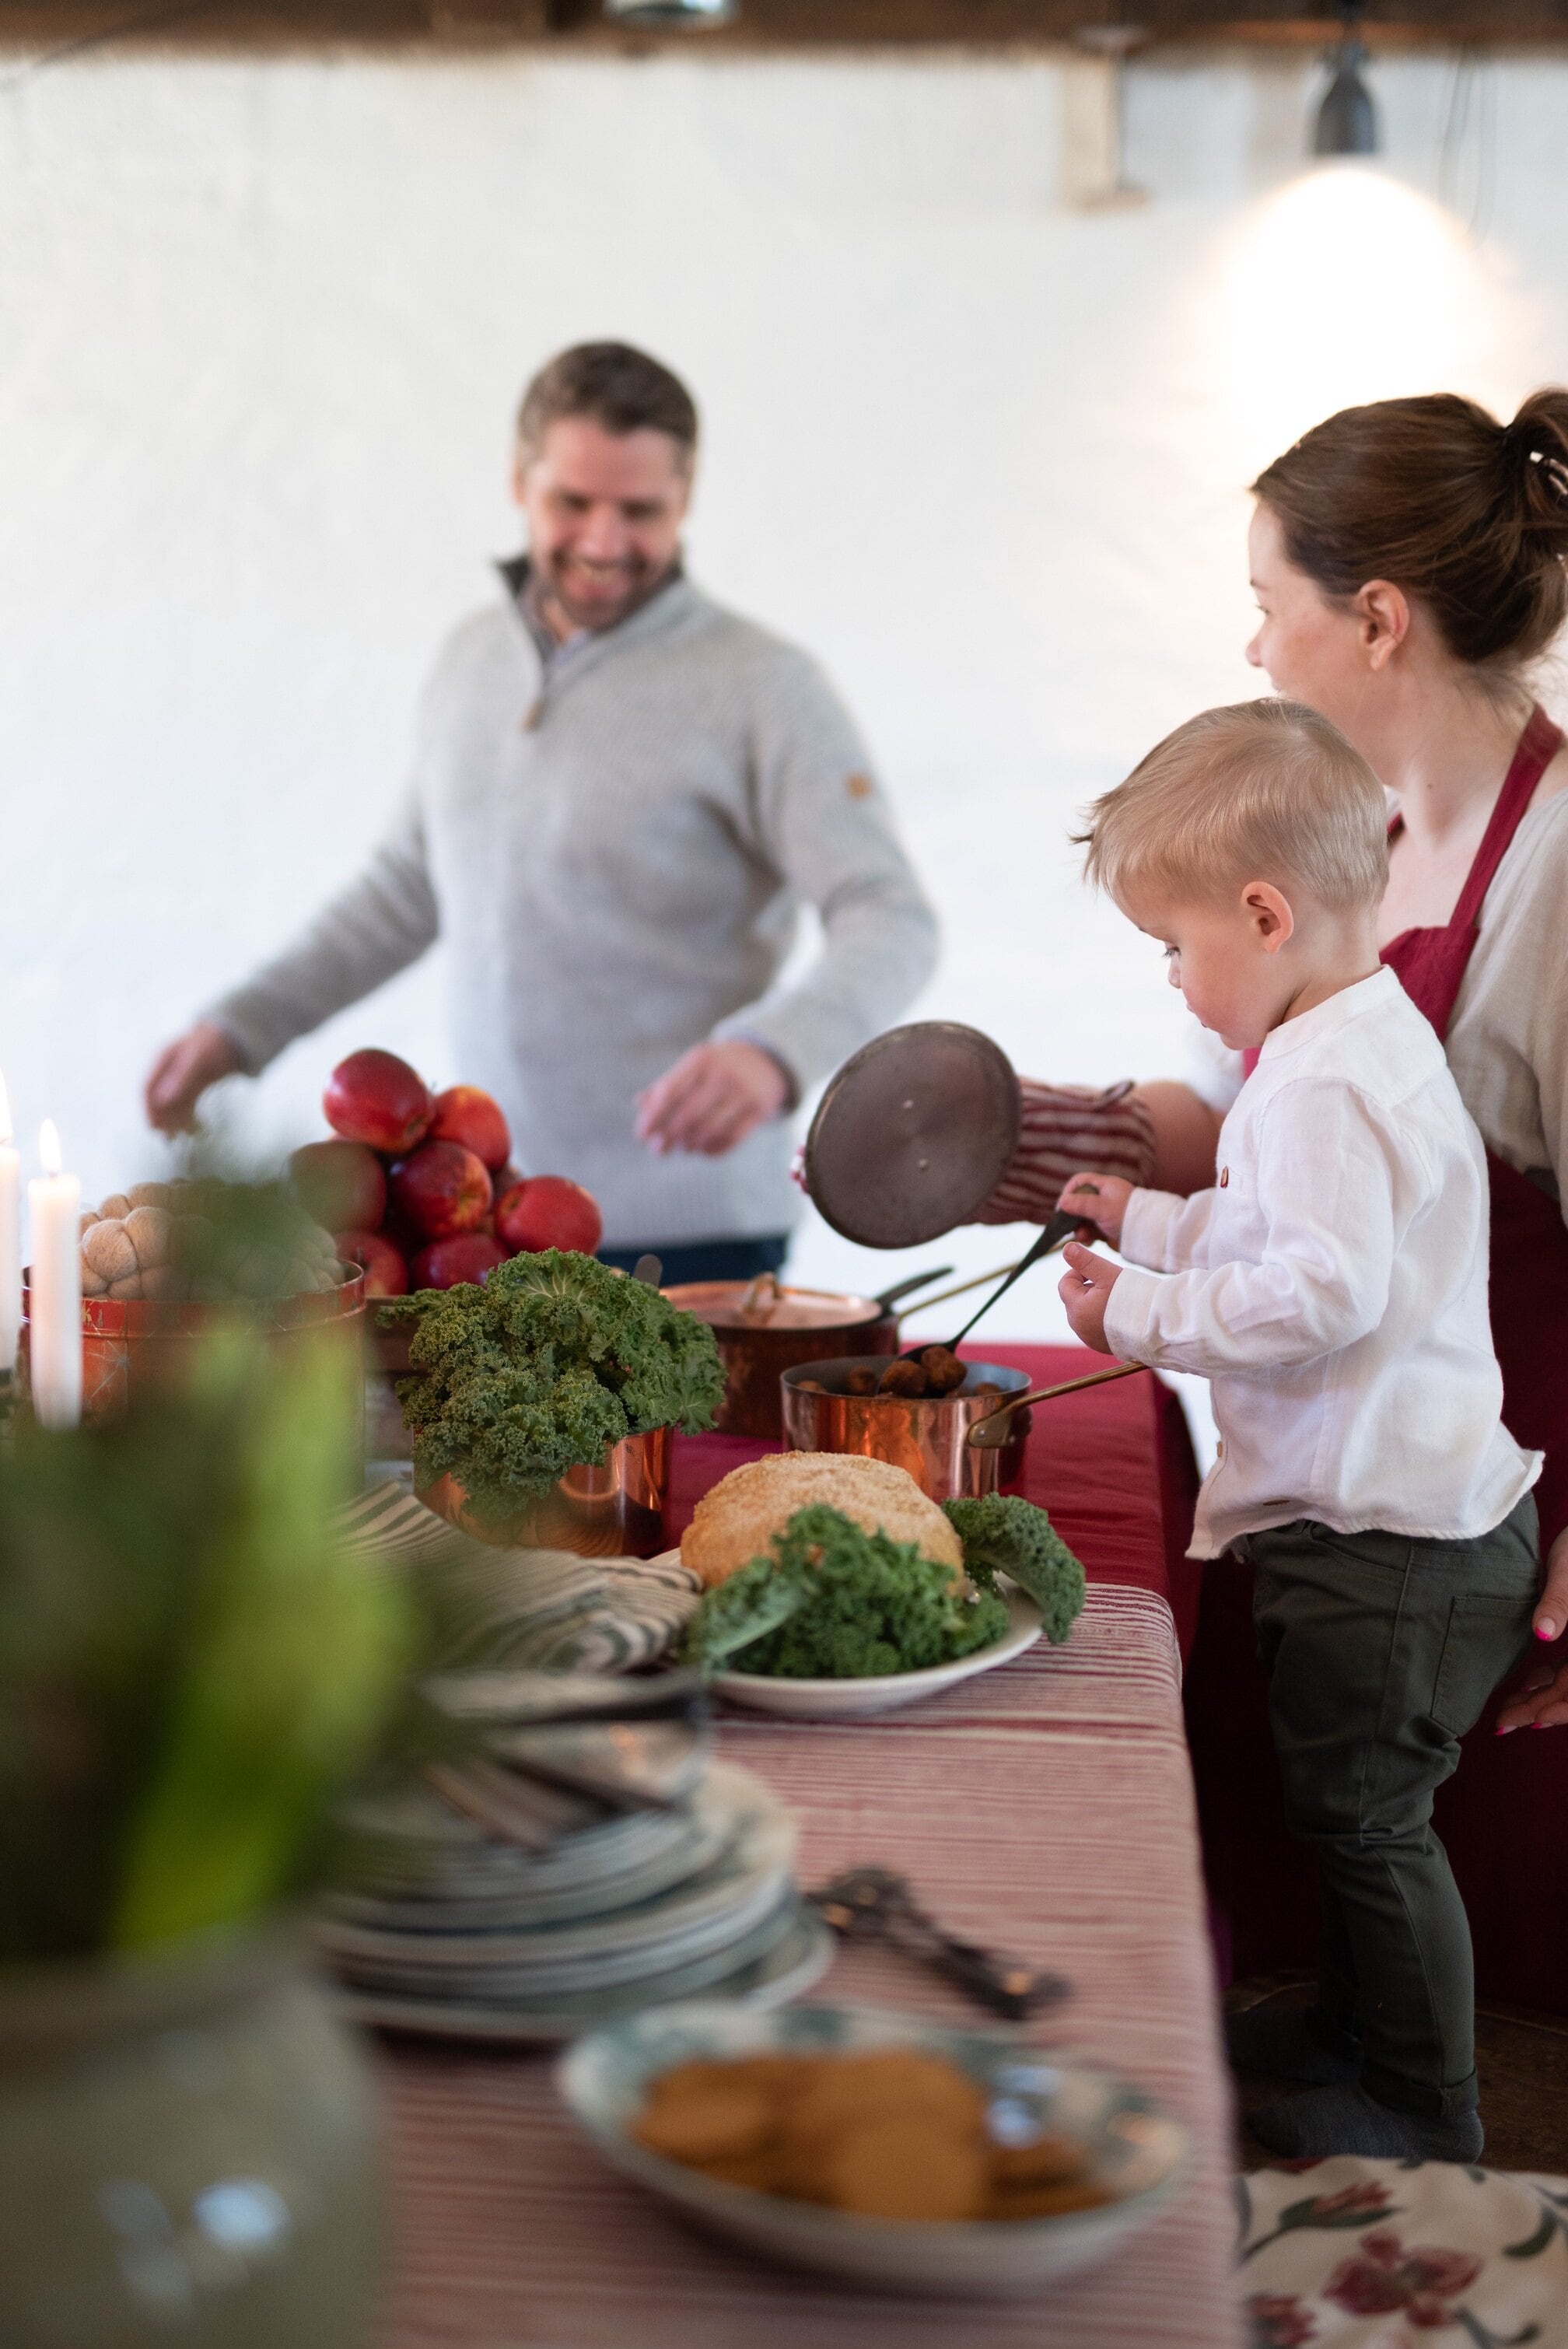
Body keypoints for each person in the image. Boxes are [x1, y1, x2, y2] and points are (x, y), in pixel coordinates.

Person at [976, 390, 1568, 1728]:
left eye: (1265, 601)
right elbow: (1271, 1140)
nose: (1251, 648)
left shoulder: (1558, 870)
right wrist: (1036, 1141)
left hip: (1490, 1552)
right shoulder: (1354, 835)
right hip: (1324, 1513)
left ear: (1373, 618)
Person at [144, 341, 937, 1283]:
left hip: (689, 1231)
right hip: (485, 1226)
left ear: (686, 499)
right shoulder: (468, 660)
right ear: (520, 481)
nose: (604, 542)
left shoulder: (765, 686)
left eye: (640, 510)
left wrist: (773, 1052)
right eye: (573, 503)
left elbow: (890, 915)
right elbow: (408, 886)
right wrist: (242, 1027)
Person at [1055, 698, 1541, 2164]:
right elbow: (1275, 1226)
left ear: (1263, 914)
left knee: (1368, 1820)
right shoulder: (1341, 1035)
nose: (1172, 983)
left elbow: (1315, 1296)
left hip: (1391, 1539)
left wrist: (1130, 1315)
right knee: (1342, 1808)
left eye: (1174, 946)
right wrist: (1141, 1214)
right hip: (1374, 1517)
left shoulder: (1327, 1077)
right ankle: (1353, 2031)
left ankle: (1423, 2100)